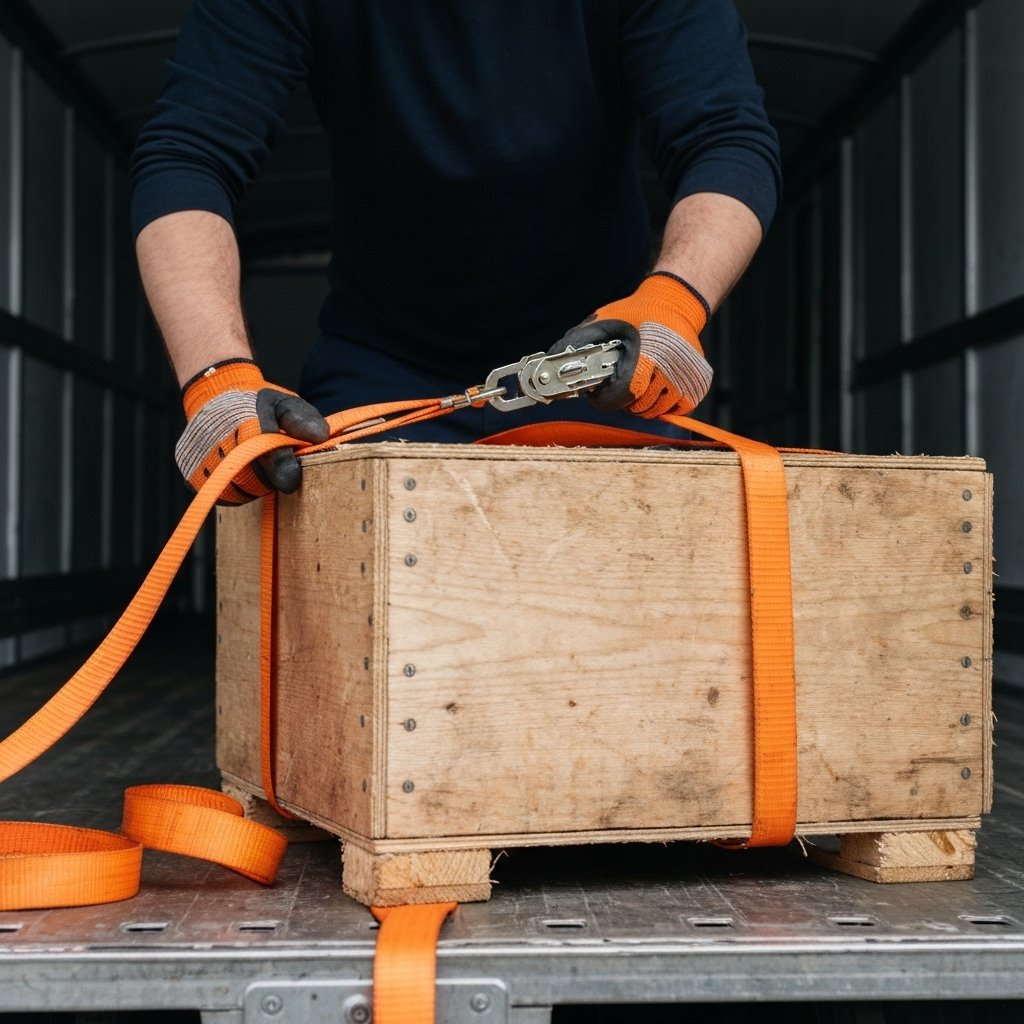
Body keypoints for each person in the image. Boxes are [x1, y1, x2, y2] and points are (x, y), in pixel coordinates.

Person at [130, 0, 781, 505]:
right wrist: (215, 379)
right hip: (382, 370)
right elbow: (190, 156)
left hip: (600, 367)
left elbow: (725, 140)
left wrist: (675, 300)